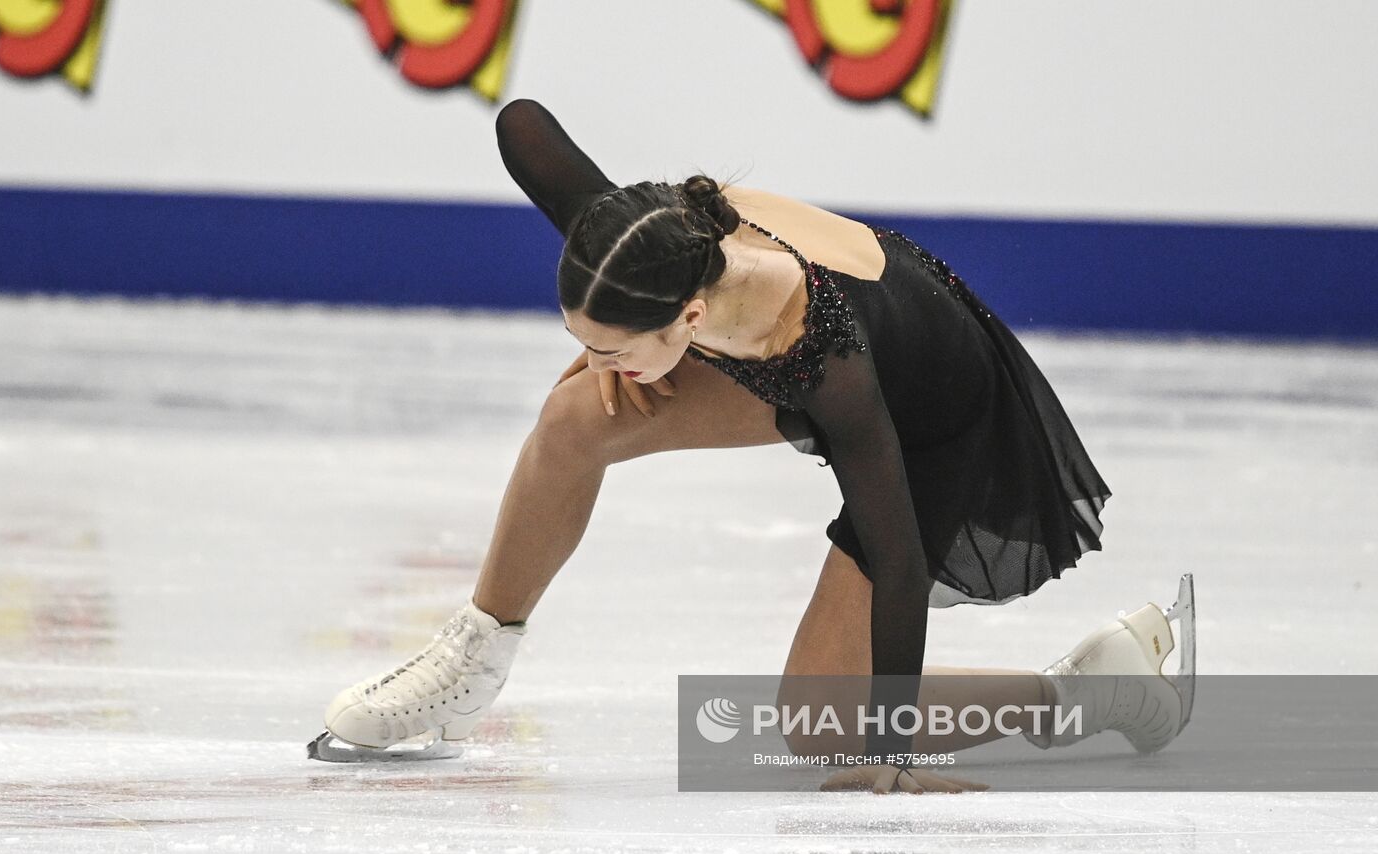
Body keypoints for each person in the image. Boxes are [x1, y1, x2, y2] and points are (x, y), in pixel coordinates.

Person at [307, 98, 1195, 793]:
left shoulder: (832, 365)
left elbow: (896, 555)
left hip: (937, 418)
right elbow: (521, 126)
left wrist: (891, 748)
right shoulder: (651, 246)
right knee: (576, 415)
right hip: (779, 344)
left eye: (613, 343)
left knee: (816, 723)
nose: (594, 357)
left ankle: (1093, 690)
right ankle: (474, 658)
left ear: (688, 323)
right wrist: (608, 345)